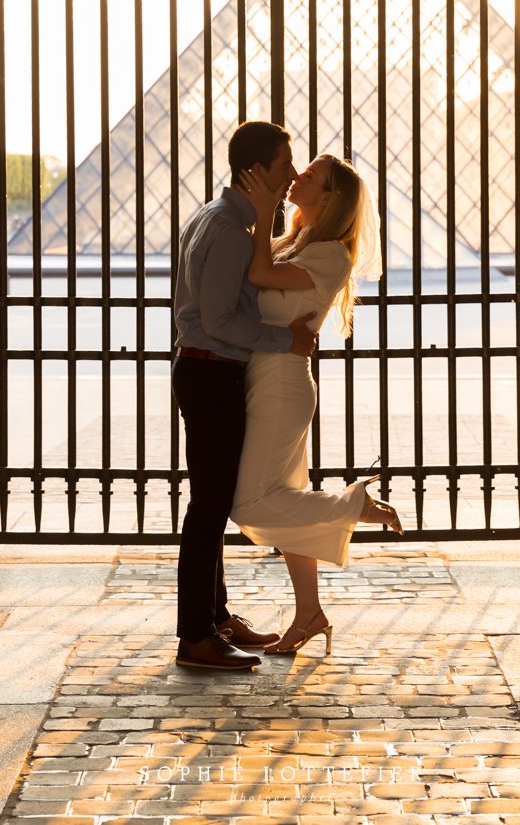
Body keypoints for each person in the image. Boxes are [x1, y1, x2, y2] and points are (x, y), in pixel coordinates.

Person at [230, 153, 403, 656]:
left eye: (309, 176)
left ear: (329, 199)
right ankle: (309, 614)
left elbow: (257, 273)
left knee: (250, 503)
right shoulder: (294, 241)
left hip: (282, 387)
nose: (295, 177)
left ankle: (355, 504)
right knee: (288, 508)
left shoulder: (330, 253)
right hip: (266, 379)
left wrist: (261, 208)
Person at [172, 121, 319, 671]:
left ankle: (215, 618)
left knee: (209, 503)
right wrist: (288, 338)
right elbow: (219, 320)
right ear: (254, 171)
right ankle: (196, 637)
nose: (291, 177)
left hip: (202, 371)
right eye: (284, 167)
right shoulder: (233, 230)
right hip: (213, 373)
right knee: (208, 509)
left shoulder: (214, 215)